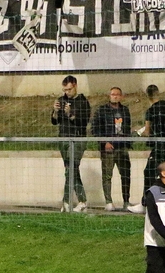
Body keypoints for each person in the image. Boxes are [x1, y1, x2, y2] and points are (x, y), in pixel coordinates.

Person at [52, 76, 91, 212]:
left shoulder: (83, 102)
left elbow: (83, 122)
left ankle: (68, 201)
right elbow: (54, 121)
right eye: (65, 90)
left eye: (69, 89)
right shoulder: (61, 100)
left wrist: (70, 114)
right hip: (63, 138)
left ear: (75, 86)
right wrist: (56, 112)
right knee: (70, 169)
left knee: (71, 168)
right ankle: (79, 201)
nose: (67, 92)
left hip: (77, 139)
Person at [92, 87, 133, 211]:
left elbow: (127, 127)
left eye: (117, 94)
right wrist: (104, 142)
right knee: (107, 175)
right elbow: (95, 129)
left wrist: (128, 141)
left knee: (126, 175)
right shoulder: (102, 110)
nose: (115, 96)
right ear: (109, 96)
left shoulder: (125, 110)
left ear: (121, 96)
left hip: (122, 147)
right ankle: (108, 201)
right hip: (108, 149)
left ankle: (126, 201)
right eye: (112, 94)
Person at [132, 85, 165, 214]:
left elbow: (147, 131)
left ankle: (146, 203)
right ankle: (163, 201)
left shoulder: (150, 111)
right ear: (158, 93)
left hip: (158, 145)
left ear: (147, 95)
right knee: (164, 174)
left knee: (148, 172)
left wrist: (138, 130)